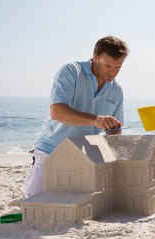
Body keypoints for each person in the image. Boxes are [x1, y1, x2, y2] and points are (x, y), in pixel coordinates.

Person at [23, 35, 130, 197]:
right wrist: (96, 120)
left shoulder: (117, 90)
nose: (112, 72)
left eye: (118, 67)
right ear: (95, 58)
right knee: (35, 201)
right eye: (108, 66)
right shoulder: (71, 71)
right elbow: (57, 112)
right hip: (51, 152)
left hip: (85, 159)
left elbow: (115, 132)